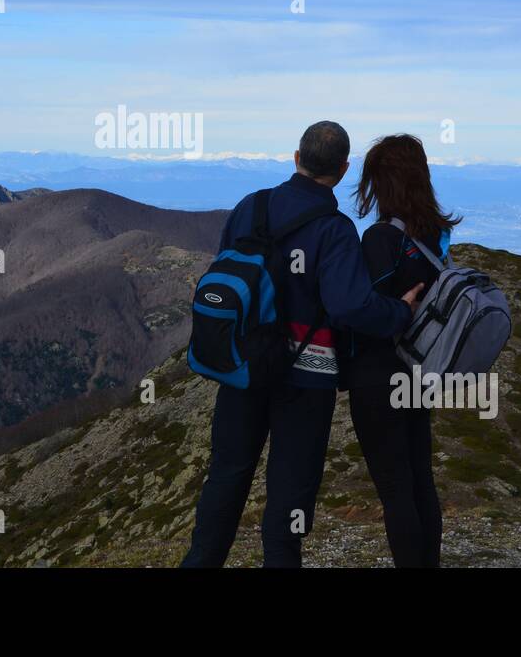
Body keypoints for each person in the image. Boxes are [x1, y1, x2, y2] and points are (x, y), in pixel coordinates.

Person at [181, 122, 424, 568]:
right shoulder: (335, 229)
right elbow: (350, 307)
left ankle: (200, 561)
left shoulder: (249, 208)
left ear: (296, 158)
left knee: (226, 478)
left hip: (242, 368)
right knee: (289, 497)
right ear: (344, 169)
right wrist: (400, 312)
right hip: (303, 379)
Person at [338, 133, 461, 568]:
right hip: (419, 373)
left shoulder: (379, 240)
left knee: (393, 488)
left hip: (378, 375)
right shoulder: (434, 236)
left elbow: (361, 310)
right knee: (419, 480)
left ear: (382, 183)